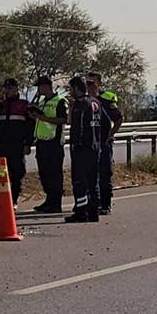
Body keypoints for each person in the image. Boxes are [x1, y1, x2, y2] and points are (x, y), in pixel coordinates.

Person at [0, 78, 34, 208]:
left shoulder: (24, 104)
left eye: (10, 88)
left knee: (16, 173)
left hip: (17, 145)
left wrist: (28, 143)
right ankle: (1, 199)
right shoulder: (1, 105)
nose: (7, 90)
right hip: (3, 145)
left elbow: (31, 126)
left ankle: (13, 200)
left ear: (16, 89)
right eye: (5, 88)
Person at [27, 76, 68, 213]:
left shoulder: (60, 101)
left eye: (40, 86)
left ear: (48, 86)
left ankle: (56, 203)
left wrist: (42, 117)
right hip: (42, 142)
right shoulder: (43, 102)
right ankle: (49, 201)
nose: (39, 89)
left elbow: (63, 119)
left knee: (54, 174)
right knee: (44, 174)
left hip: (54, 143)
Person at [65, 77, 102, 223]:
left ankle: (81, 212)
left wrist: (75, 144)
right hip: (95, 147)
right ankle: (94, 212)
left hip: (82, 148)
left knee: (80, 181)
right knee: (93, 181)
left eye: (71, 89)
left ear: (76, 88)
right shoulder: (96, 102)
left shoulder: (80, 104)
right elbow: (103, 124)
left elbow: (77, 127)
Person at [87, 72, 124, 215]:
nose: (90, 86)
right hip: (90, 144)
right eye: (87, 83)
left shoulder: (106, 98)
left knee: (104, 174)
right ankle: (92, 203)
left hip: (103, 143)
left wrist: (110, 136)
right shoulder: (86, 100)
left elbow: (118, 119)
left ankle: (105, 204)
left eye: (92, 83)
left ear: (99, 83)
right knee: (90, 174)